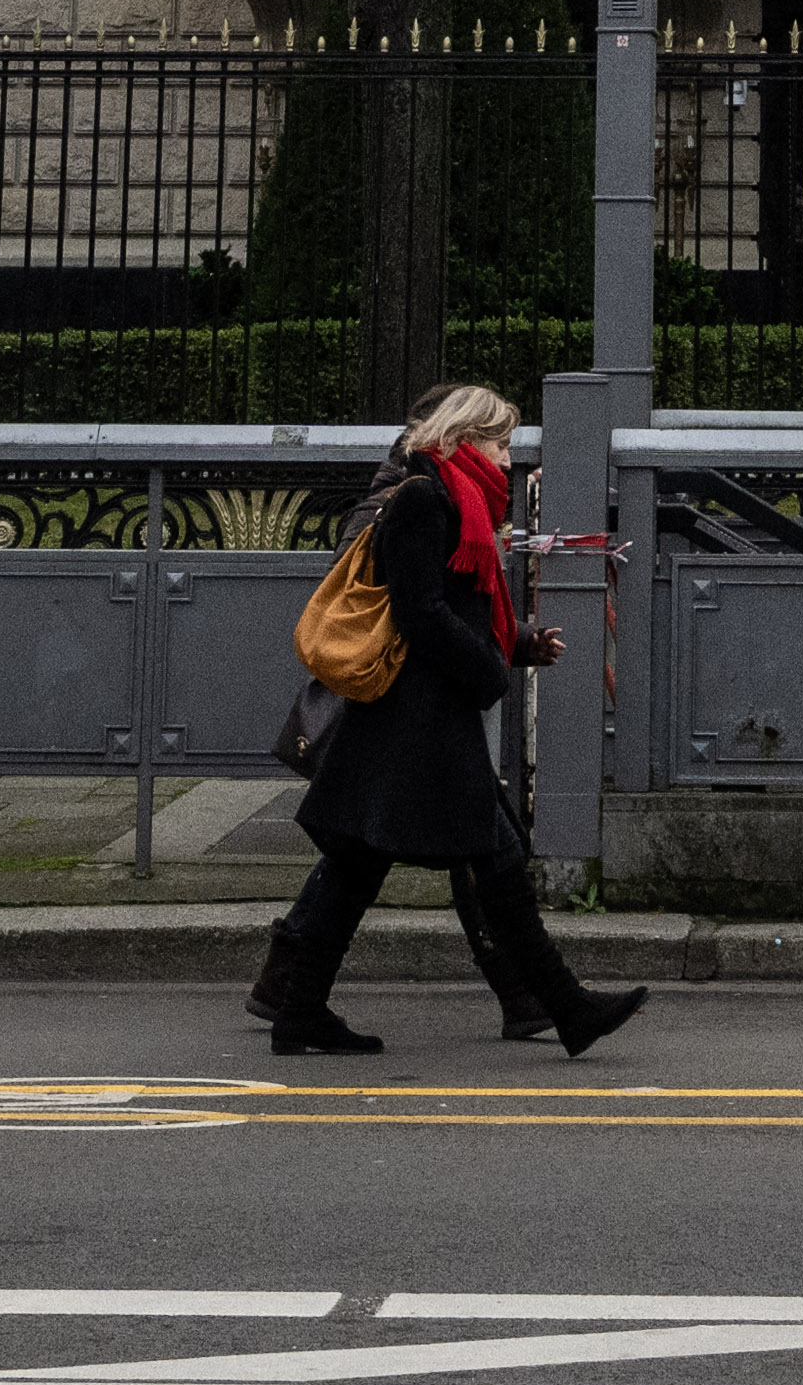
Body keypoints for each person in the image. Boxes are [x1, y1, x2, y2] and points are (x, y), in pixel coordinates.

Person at [245, 381, 644, 1064]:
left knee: (364, 868)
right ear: (464, 437)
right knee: (486, 862)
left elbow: (462, 603)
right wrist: (489, 669)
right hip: (416, 718)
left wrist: (511, 643)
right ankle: (564, 1006)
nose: (506, 454)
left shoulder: (454, 496)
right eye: (499, 440)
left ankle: (302, 1010)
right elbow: (422, 610)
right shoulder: (425, 498)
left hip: (418, 717)